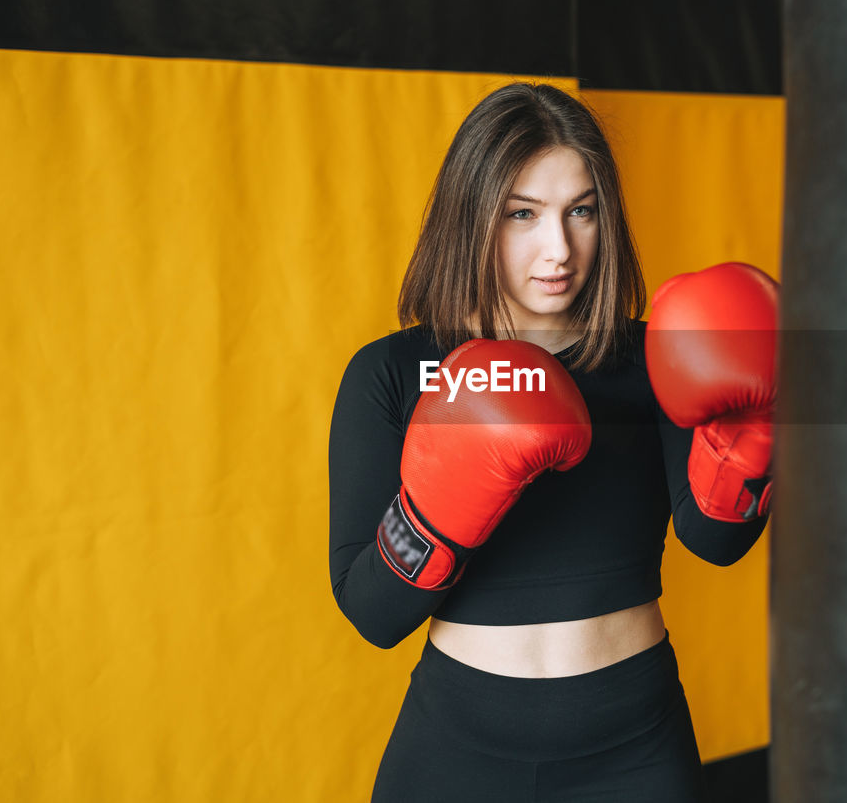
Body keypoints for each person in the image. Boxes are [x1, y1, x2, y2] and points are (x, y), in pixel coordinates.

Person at [328, 82, 776, 802]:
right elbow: (373, 615)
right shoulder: (390, 373)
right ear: (471, 218)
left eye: (581, 211)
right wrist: (437, 509)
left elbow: (713, 540)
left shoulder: (651, 357)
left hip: (635, 747)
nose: (558, 248)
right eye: (523, 214)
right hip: (457, 750)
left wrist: (752, 434)